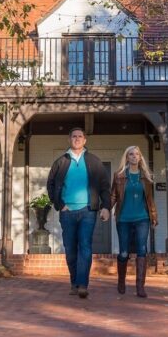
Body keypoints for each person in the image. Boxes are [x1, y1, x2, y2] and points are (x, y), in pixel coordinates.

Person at [46, 127, 111, 298]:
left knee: (85, 246)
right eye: (74, 136)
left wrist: (106, 207)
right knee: (70, 249)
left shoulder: (94, 161)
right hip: (67, 212)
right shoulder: (61, 162)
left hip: (88, 210)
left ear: (85, 140)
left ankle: (82, 284)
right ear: (69, 139)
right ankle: (74, 282)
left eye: (80, 136)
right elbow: (51, 184)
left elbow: (105, 186)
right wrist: (60, 204)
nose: (77, 138)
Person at [110, 145, 158, 298]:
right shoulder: (119, 176)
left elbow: (150, 199)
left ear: (140, 157)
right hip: (123, 219)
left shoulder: (146, 176)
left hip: (142, 218)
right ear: (127, 157)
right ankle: (121, 281)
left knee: (142, 250)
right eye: (131, 154)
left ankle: (140, 287)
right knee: (124, 252)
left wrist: (154, 216)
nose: (134, 156)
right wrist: (105, 209)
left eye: (137, 154)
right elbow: (113, 196)